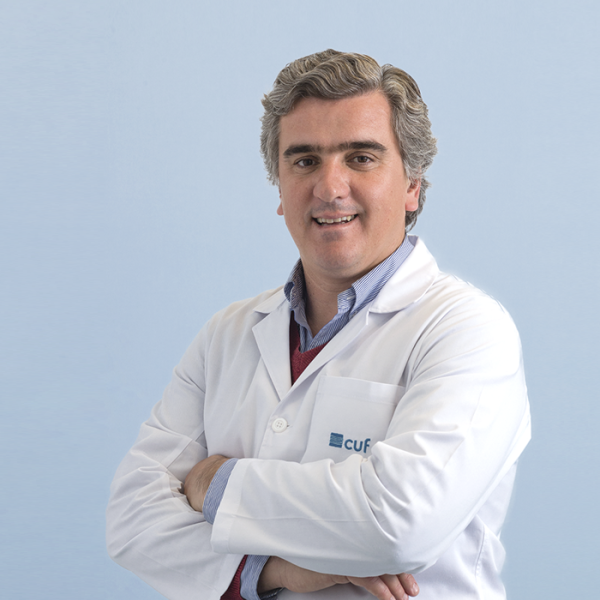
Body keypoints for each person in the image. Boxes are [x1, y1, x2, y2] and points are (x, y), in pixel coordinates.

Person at [106, 49, 531, 600]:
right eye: (304, 161)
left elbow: (397, 523)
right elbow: (131, 519)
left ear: (412, 185)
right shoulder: (226, 335)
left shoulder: (468, 331)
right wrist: (273, 571)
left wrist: (213, 482)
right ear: (279, 188)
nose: (330, 188)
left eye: (361, 157)